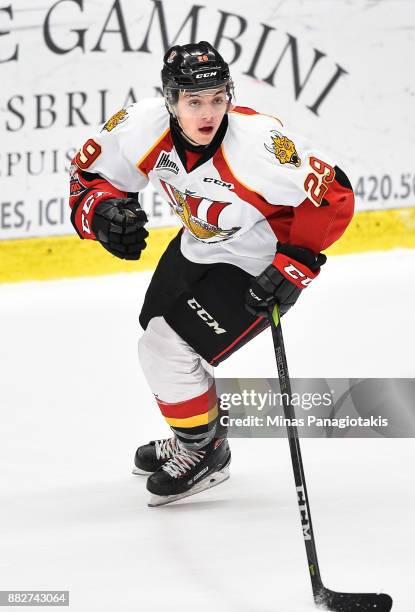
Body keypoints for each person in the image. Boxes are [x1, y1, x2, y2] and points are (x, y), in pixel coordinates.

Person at [68, 41, 354, 506]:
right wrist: (100, 213)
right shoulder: (141, 127)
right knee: (158, 332)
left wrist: (296, 264)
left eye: (218, 99)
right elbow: (90, 176)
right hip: (202, 246)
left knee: (165, 350)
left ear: (230, 96)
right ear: (170, 100)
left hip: (260, 257)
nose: (207, 113)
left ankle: (204, 450)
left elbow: (334, 194)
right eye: (193, 101)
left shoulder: (258, 146)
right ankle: (195, 434)